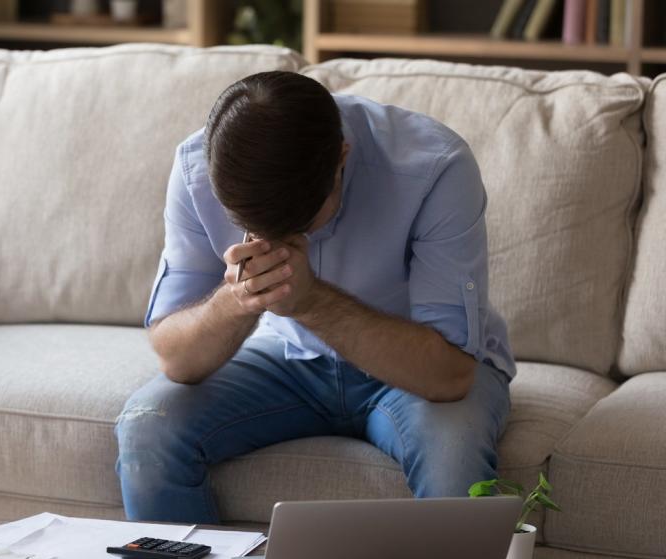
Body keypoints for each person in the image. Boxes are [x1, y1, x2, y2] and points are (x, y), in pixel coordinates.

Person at [114, 71, 515, 525]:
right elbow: (176, 359)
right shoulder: (197, 166)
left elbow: (451, 376)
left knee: (453, 457)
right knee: (148, 425)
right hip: (283, 357)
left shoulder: (435, 165)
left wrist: (310, 301)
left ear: (342, 159)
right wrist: (239, 298)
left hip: (413, 369)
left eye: (300, 225)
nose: (273, 240)